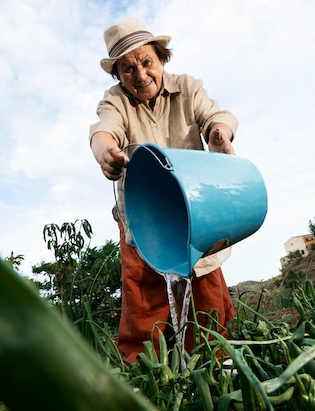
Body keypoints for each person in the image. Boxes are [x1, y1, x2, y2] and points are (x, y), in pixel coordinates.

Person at [89, 17, 238, 363]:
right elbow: (103, 130)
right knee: (144, 304)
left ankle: (214, 366)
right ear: (118, 76)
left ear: (161, 57)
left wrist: (219, 133)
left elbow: (217, 115)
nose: (140, 75)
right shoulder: (115, 101)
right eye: (127, 69)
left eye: (146, 62)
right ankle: (147, 376)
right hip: (144, 220)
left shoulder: (188, 88)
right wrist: (105, 153)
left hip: (194, 212)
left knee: (206, 293)